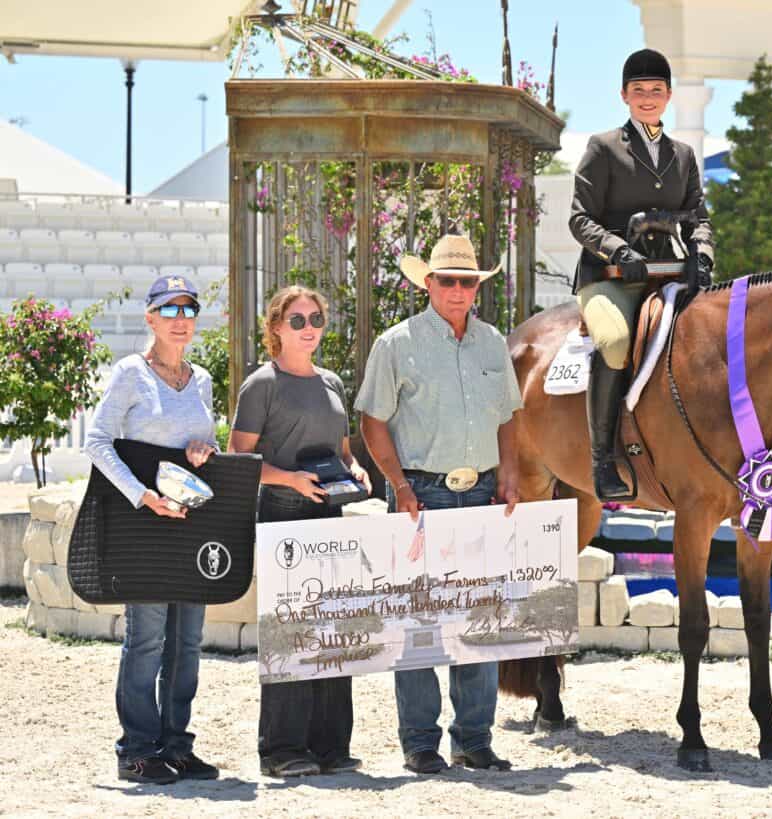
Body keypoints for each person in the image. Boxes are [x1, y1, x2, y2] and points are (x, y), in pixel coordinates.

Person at [356, 234, 522, 775]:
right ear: (427, 284)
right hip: (419, 496)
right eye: (447, 280)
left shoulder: (493, 342)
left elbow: (509, 416)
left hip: (482, 492)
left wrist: (511, 475)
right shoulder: (395, 344)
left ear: (477, 287)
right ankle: (420, 742)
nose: (457, 289)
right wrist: (399, 487)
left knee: (481, 619)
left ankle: (474, 739)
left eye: (467, 281)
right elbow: (372, 420)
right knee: (419, 625)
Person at [228, 285, 372, 779]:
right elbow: (240, 460)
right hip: (284, 517)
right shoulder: (260, 385)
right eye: (297, 320)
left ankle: (332, 747)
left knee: (334, 631)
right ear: (275, 327)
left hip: (329, 518)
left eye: (316, 319)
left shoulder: (332, 382)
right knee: (290, 633)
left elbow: (344, 448)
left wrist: (357, 471)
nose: (308, 328)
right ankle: (283, 750)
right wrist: (288, 478)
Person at [84, 275, 220, 785]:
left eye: (189, 310)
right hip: (144, 526)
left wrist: (203, 453)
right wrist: (141, 496)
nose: (180, 320)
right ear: (150, 318)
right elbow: (98, 442)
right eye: (169, 310)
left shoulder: (202, 379)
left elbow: (200, 449)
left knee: (187, 644)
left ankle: (177, 745)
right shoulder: (130, 374)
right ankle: (138, 751)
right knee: (146, 642)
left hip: (190, 527)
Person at [568, 47, 714, 501]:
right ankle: (602, 459)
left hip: (667, 272)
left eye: (655, 91)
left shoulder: (683, 155)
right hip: (610, 276)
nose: (647, 98)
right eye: (638, 91)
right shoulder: (604, 147)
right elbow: (580, 218)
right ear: (624, 96)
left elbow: (698, 218)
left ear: (669, 96)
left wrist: (702, 252)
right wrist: (616, 247)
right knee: (614, 342)